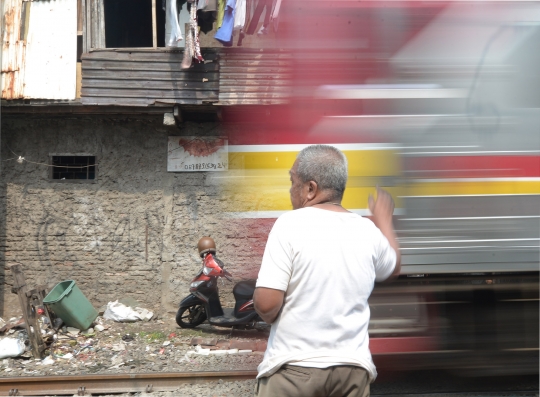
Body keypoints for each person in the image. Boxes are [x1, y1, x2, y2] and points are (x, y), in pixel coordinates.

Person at [253, 144, 401, 397]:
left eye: (293, 181)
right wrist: (384, 220)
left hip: (295, 370)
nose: (290, 190)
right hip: (353, 371)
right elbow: (393, 266)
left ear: (310, 189)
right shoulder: (367, 231)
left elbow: (267, 306)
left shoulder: (289, 224)